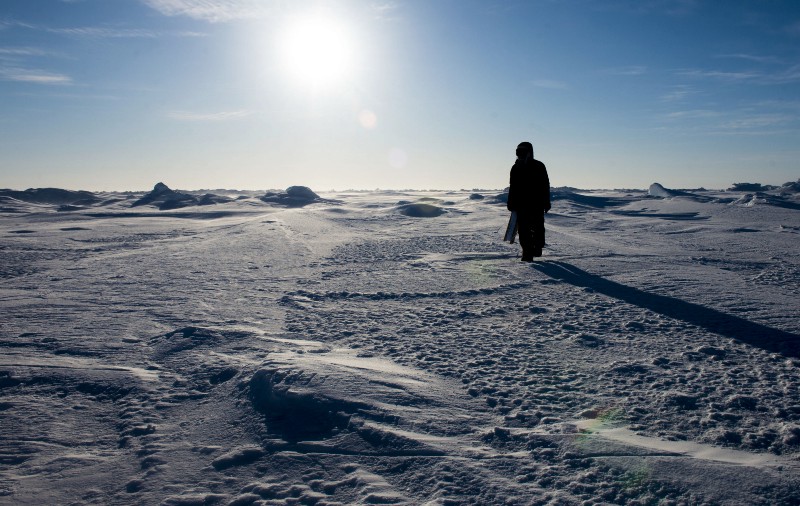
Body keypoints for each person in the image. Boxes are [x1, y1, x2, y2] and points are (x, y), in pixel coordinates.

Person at [507, 141, 551, 261]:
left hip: (536, 204)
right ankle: (527, 252)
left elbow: (545, 185)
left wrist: (546, 202)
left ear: (529, 153)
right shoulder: (515, 168)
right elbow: (513, 187)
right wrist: (511, 203)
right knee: (523, 230)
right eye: (518, 152)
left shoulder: (539, 166)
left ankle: (537, 246)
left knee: (538, 228)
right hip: (521, 205)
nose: (519, 155)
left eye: (522, 152)